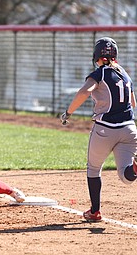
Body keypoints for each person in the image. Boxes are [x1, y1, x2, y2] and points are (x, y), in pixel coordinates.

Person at [60, 37, 137, 222]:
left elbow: (84, 92)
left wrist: (68, 113)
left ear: (96, 55)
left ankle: (95, 212)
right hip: (129, 128)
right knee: (126, 176)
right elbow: (132, 103)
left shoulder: (99, 73)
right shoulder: (124, 73)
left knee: (93, 168)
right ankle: (135, 168)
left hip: (105, 129)